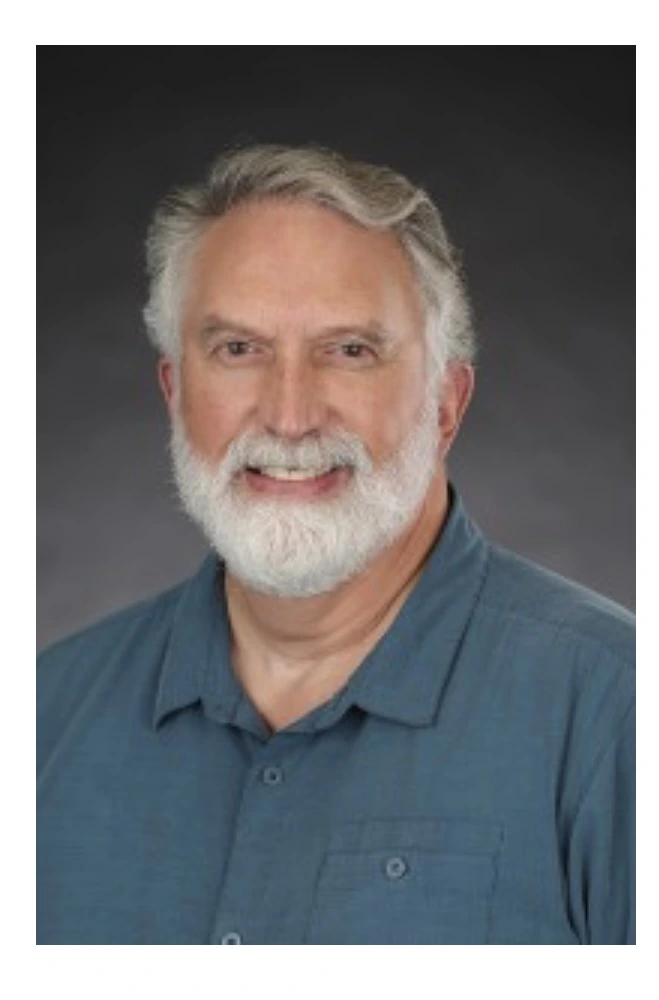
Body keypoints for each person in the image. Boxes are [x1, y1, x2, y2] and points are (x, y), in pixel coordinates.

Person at [37, 144, 635, 945]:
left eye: (349, 351)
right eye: (238, 350)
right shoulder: (40, 719)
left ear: (445, 403)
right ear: (175, 393)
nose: (289, 417)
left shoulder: (617, 714)